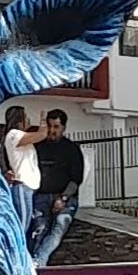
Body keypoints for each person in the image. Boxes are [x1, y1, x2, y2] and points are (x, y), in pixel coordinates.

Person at [32, 108, 86, 259]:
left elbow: (76, 178)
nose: (52, 131)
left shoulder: (71, 149)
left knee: (58, 228)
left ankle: (38, 262)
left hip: (64, 198)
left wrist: (63, 198)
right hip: (41, 197)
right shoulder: (38, 147)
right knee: (38, 231)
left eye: (56, 127)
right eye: (50, 126)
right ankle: (37, 263)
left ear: (63, 128)